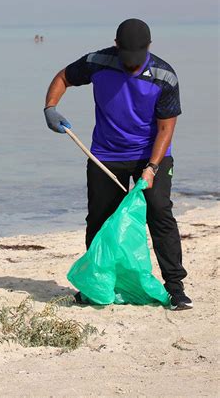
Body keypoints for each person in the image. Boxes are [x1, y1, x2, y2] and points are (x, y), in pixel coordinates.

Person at [43, 18, 192, 311]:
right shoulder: (99, 62)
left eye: (137, 59)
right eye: (126, 57)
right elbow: (63, 78)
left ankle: (175, 289)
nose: (131, 64)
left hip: (151, 156)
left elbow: (165, 130)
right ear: (116, 46)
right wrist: (50, 108)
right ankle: (95, 286)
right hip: (105, 154)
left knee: (159, 214)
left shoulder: (164, 76)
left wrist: (151, 168)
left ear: (148, 48)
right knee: (99, 219)